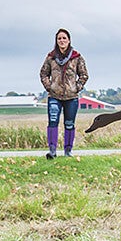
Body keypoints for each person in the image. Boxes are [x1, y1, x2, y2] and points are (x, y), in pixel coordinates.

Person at [39, 28, 89, 159]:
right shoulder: (51, 57)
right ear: (56, 41)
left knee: (69, 123)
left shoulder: (77, 57)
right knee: (53, 121)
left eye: (64, 38)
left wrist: (77, 87)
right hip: (54, 96)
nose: (62, 41)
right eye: (59, 38)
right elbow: (43, 73)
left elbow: (84, 75)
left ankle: (68, 151)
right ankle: (52, 151)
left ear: (69, 40)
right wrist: (49, 87)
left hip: (71, 97)